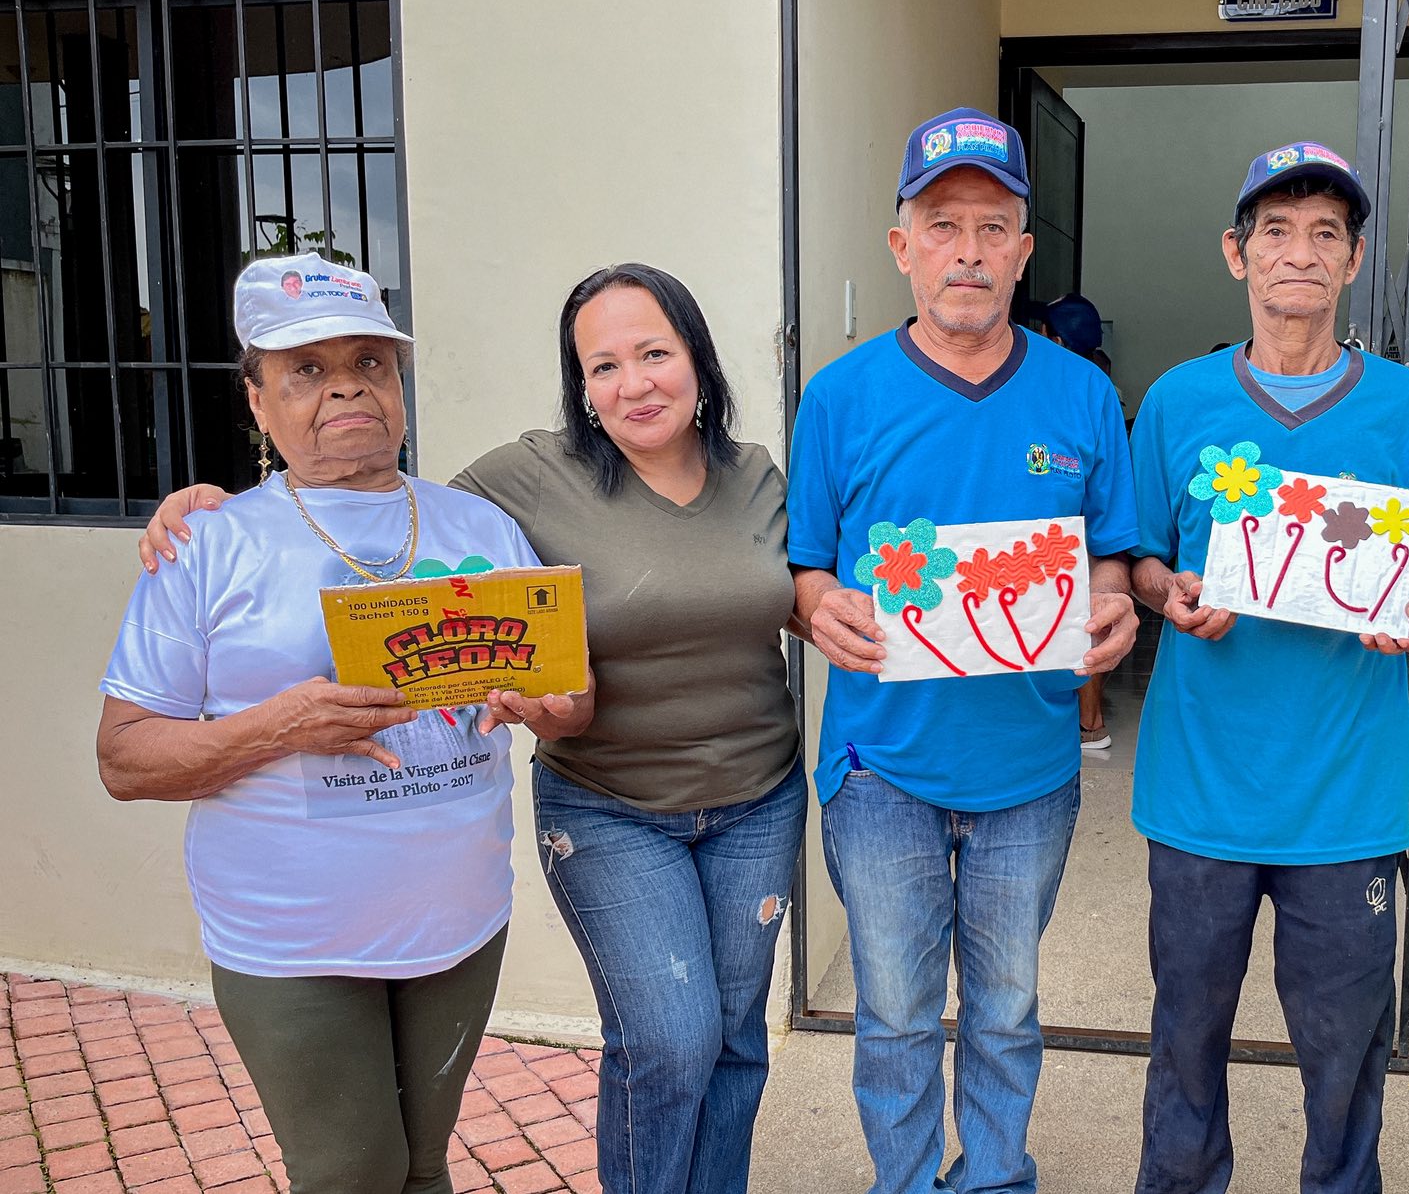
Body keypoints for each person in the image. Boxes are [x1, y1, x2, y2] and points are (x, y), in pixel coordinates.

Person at [139, 263, 804, 1194]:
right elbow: (362, 496)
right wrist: (205, 506)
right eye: (603, 365)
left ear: (698, 357)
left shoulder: (751, 476)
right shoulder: (519, 482)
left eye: (655, 353)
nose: (634, 382)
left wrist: (844, 605)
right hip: (606, 810)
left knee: (730, 1042)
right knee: (668, 1042)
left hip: (749, 801)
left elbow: (796, 587)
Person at [99, 252, 550, 1193]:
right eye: (306, 368)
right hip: (292, 937)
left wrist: (549, 706)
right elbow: (125, 758)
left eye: (369, 362)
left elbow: (562, 701)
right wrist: (279, 727)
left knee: (423, 1169)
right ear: (257, 402)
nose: (346, 385)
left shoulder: (481, 528)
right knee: (350, 1173)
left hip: (459, 919)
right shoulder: (205, 544)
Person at [788, 106, 1140, 1194]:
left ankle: (993, 1177)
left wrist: (1111, 603)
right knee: (895, 1011)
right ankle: (901, 1182)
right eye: (943, 226)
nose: (969, 251)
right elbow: (805, 567)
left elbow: (1112, 555)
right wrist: (817, 605)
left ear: (1024, 251)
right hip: (881, 765)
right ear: (903, 247)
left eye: (993, 227)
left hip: (1027, 768)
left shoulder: (1081, 393)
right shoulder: (840, 396)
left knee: (1005, 1007)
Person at [1125, 143, 1409, 1194]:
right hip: (1200, 793)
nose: (1300, 253)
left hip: (1345, 797)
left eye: (1325, 234)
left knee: (1344, 1054)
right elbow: (1137, 557)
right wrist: (1167, 591)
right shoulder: (1177, 402)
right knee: (1185, 1037)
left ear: (1352, 260)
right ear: (1237, 254)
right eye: (1275, 231)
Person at [1041, 292, 1120, 749]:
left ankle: (1090, 722)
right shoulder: (1101, 379)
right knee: (1090, 619)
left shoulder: (1077, 387)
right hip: (1085, 528)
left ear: (1054, 338)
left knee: (1086, 620)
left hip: (1075, 534)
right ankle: (1092, 719)